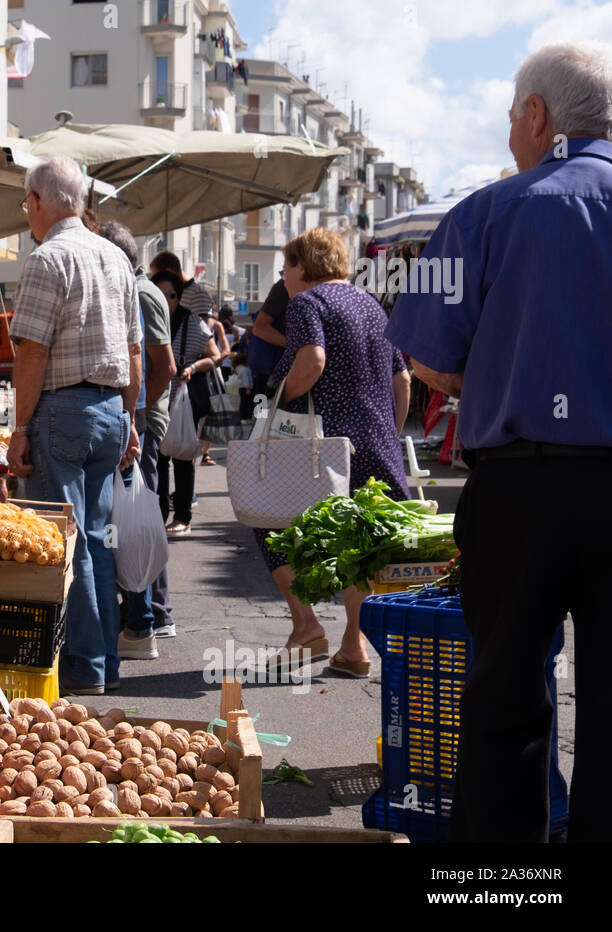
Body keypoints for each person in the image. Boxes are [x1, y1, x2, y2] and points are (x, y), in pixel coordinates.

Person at [385, 41, 612, 843]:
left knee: (505, 697)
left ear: (538, 116)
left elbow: (427, 364)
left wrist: (503, 366)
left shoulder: (487, 212)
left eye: (513, 117)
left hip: (519, 490)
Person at [8, 157, 142, 696]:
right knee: (94, 541)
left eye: (26, 204)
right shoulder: (115, 257)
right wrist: (130, 417)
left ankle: (83, 669)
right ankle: (104, 664)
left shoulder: (47, 259)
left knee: (65, 544)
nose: (27, 214)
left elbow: (32, 353)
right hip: (109, 411)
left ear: (40, 201)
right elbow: (133, 352)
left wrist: (19, 428)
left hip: (62, 413)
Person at [257, 227, 411, 673]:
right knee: (357, 542)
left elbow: (313, 360)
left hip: (323, 446)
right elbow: (402, 378)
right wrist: (388, 430)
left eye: (286, 267)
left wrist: (282, 404)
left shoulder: (307, 302)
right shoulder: (371, 305)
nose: (284, 276)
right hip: (376, 444)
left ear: (303, 266)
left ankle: (306, 626)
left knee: (267, 519)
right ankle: (353, 644)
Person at [99, 220, 178, 659]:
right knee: (135, 517)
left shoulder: (141, 293)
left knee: (131, 522)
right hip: (139, 417)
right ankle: (149, 617)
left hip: (141, 421)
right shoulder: (140, 290)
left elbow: (161, 363)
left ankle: (143, 622)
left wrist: (138, 412)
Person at [152, 269, 220, 536]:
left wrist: (192, 366)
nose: (166, 299)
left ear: (178, 297)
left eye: (171, 294)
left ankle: (182, 517)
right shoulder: (147, 318)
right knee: (156, 458)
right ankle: (157, 515)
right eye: (161, 293)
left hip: (182, 398)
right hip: (155, 397)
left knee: (182, 457)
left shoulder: (191, 321)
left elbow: (215, 355)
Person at [248, 276, 289, 407]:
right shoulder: (282, 287)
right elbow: (259, 328)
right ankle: (259, 423)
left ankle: (258, 422)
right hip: (273, 364)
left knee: (261, 399)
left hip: (264, 365)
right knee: (264, 404)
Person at [198, 307, 232, 466]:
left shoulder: (216, 325)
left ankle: (205, 452)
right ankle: (192, 451)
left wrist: (215, 359)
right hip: (195, 371)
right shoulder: (192, 322)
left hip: (211, 372)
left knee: (209, 414)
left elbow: (226, 350)